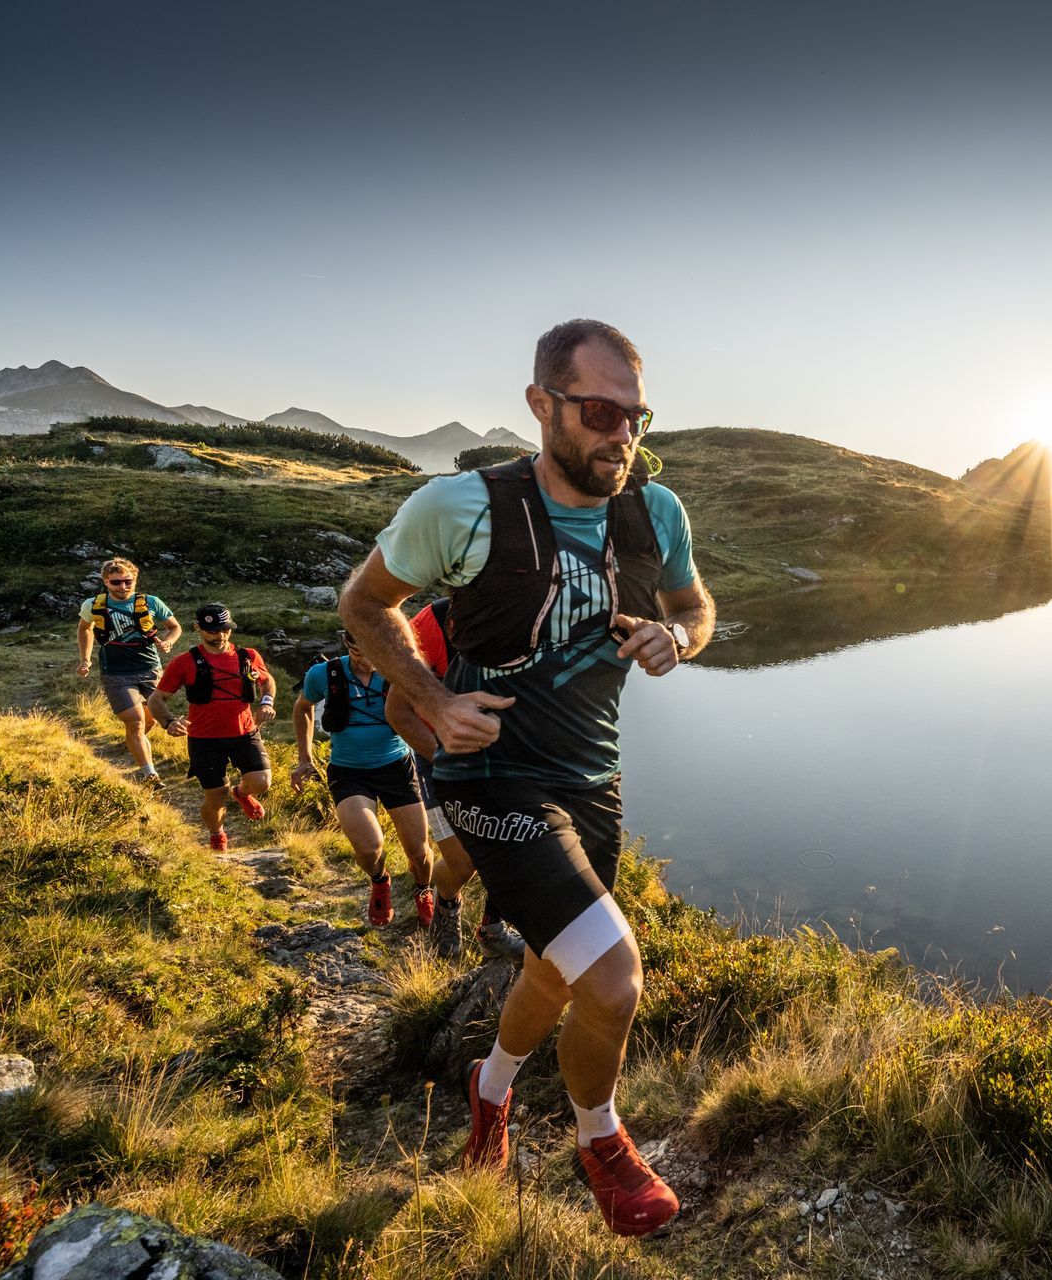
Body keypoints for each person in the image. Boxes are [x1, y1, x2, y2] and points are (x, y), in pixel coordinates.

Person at [340, 319, 713, 1237]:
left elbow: (695, 604)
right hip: (489, 773)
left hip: (592, 775)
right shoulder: (459, 506)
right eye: (597, 412)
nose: (620, 436)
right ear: (542, 405)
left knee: (553, 964)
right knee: (616, 979)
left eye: (634, 416)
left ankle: (489, 1088)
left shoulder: (655, 513)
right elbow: (364, 603)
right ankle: (602, 1140)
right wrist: (429, 697)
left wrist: (681, 637)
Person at [383, 596, 527, 960]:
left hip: (506, 755)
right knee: (464, 862)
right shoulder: (434, 623)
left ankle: (492, 928)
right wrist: (447, 759)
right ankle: (446, 905)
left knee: (517, 844)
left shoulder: (540, 621)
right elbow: (398, 712)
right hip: (440, 755)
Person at [290, 630, 436, 928]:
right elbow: (302, 707)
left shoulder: (398, 671)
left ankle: (423, 891)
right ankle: (380, 881)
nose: (368, 661)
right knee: (370, 847)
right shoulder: (324, 674)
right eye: (360, 654)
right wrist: (305, 758)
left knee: (419, 853)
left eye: (374, 654)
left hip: (397, 767)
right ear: (348, 644)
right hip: (348, 771)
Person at [148, 603, 277, 850]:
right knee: (215, 797)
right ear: (198, 628)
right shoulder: (184, 662)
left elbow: (267, 680)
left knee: (261, 782)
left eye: (225, 630)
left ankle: (240, 793)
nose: (220, 635)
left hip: (244, 732)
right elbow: (156, 699)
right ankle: (217, 835)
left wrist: (267, 702)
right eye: (213, 630)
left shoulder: (248, 656)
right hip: (204, 739)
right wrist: (169, 722)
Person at [74, 557, 183, 787]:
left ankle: (136, 746)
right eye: (116, 582)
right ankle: (149, 775)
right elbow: (85, 628)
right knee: (135, 721)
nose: (122, 586)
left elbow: (174, 627)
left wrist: (168, 642)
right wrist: (85, 659)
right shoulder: (92, 605)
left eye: (127, 581)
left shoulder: (151, 602)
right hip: (115, 673)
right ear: (106, 582)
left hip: (150, 669)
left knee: (149, 719)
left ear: (135, 580)